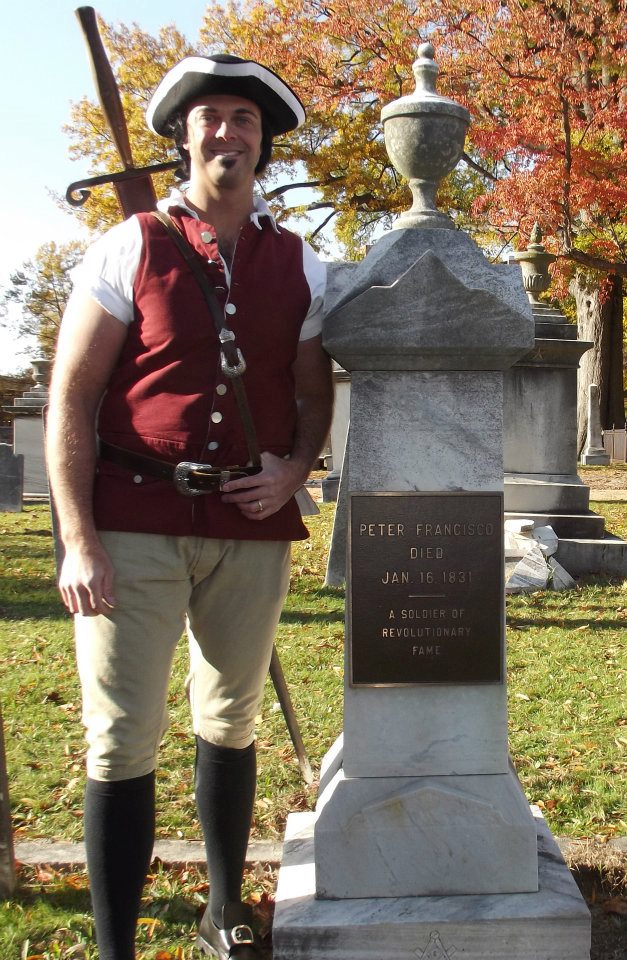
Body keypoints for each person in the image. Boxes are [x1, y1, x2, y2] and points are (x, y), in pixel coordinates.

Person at [46, 54, 333, 960]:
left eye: (243, 119)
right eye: (209, 117)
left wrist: (294, 470)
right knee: (122, 737)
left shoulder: (300, 260)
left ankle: (223, 908)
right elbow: (71, 398)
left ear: (263, 143)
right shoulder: (130, 244)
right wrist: (78, 539)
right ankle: (116, 947)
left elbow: (312, 389)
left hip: (250, 523)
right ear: (183, 137)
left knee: (231, 719)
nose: (226, 131)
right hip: (131, 521)